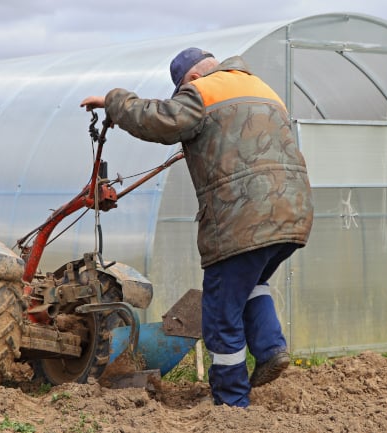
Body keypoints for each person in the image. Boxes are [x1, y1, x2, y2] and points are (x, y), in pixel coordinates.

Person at [81, 47, 313, 407]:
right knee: (252, 283)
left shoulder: (203, 91)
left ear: (190, 79)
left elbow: (157, 120)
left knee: (221, 312)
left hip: (243, 217)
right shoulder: (262, 89)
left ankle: (231, 404)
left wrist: (113, 102)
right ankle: (270, 349)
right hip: (292, 210)